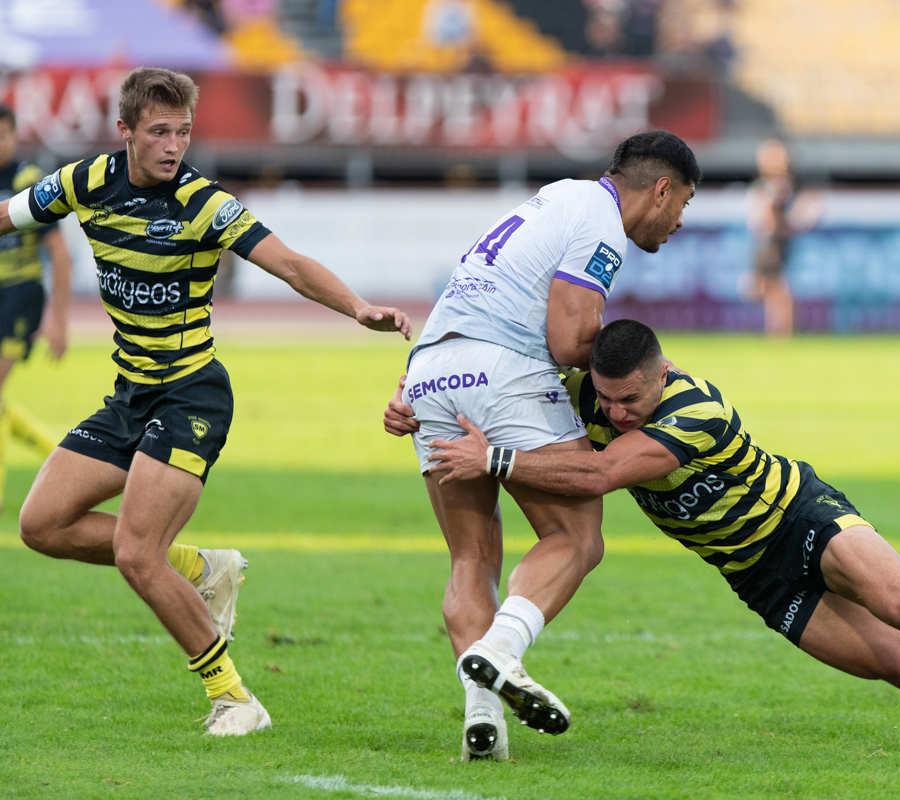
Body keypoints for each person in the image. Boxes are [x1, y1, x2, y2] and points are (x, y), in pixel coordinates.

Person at [422, 319, 900, 754]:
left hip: (800, 519)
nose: (617, 412)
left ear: (664, 374)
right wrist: (416, 404)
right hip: (756, 575)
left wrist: (493, 456)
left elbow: (596, 476)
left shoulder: (693, 409)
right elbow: (522, 397)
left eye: (631, 399)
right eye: (607, 400)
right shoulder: (588, 395)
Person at [0, 67, 412, 736]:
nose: (173, 146)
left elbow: (289, 262)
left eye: (183, 132)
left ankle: (236, 699)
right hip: (131, 393)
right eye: (159, 132)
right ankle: (204, 567)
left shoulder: (203, 203)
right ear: (125, 130)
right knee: (41, 524)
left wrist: (357, 307)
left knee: (138, 553)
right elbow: (8, 216)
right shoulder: (84, 182)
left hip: (191, 394)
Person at [384, 131, 699, 761]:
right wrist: (650, 370)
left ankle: (483, 721)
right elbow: (568, 340)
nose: (679, 222)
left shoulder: (554, 198)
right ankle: (500, 650)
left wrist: (419, 389)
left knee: (471, 558)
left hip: (431, 372)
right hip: (506, 373)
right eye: (682, 205)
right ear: (660, 188)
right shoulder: (603, 223)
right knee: (577, 538)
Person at [0, 103, 73, 511]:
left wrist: (58, 321)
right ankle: (60, 454)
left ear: (14, 136)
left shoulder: (29, 184)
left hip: (21, 295)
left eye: (4, 135)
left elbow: (60, 256)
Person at [743, 139, 820, 337]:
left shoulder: (791, 186)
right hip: (769, 246)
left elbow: (806, 212)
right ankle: (779, 334)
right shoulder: (764, 188)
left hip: (783, 246)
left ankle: (782, 335)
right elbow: (760, 223)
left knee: (778, 293)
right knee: (766, 291)